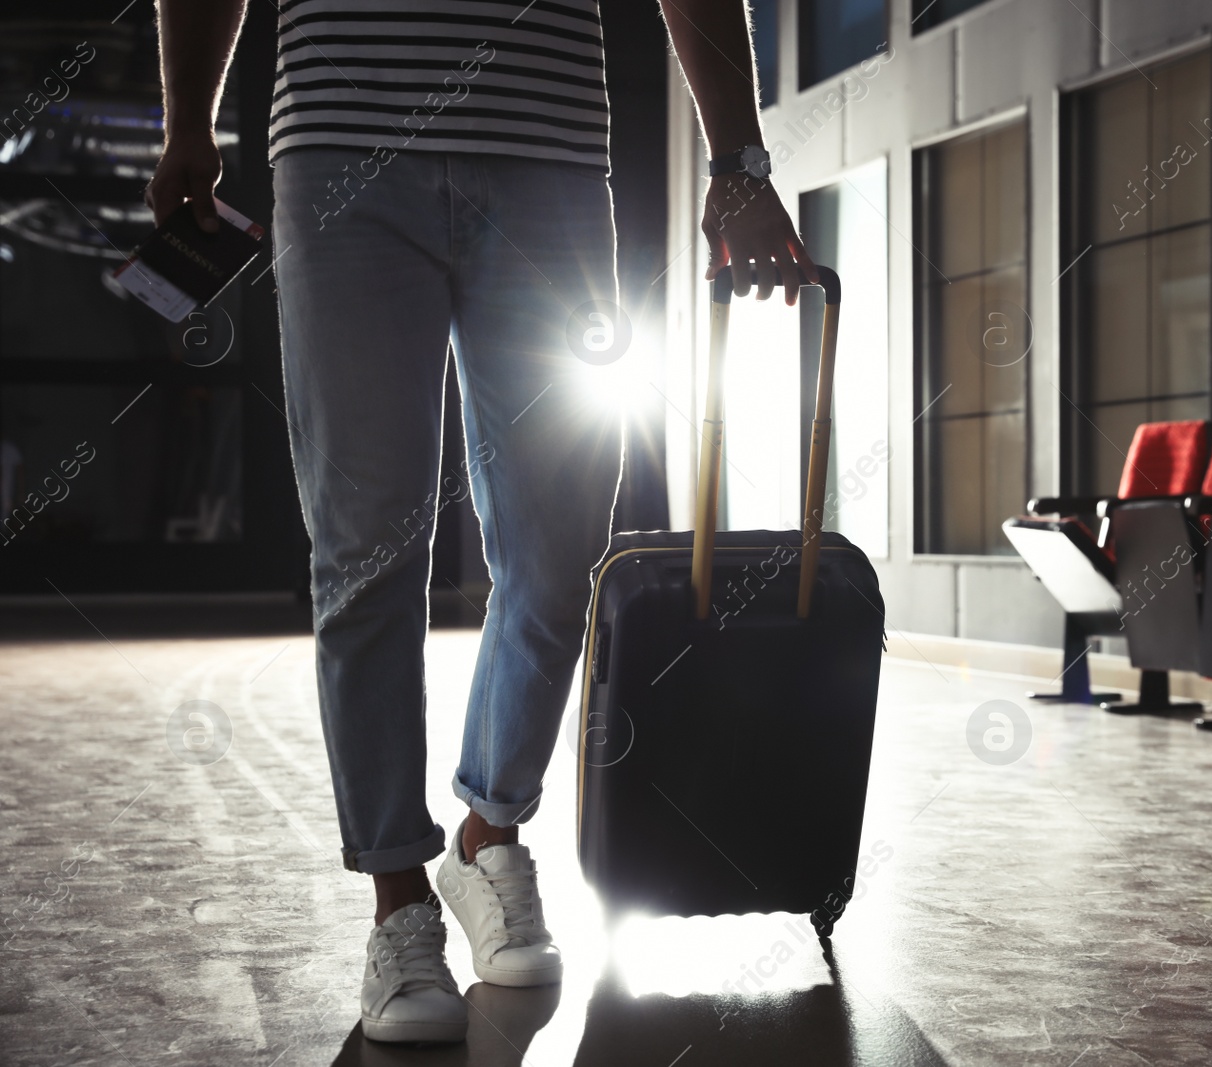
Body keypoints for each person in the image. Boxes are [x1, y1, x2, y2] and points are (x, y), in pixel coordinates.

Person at [146, 0, 815, 1044]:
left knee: (557, 556)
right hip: (341, 145)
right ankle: (398, 899)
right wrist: (189, 117)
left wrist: (737, 159)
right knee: (366, 553)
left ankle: (488, 831)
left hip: (545, 152)